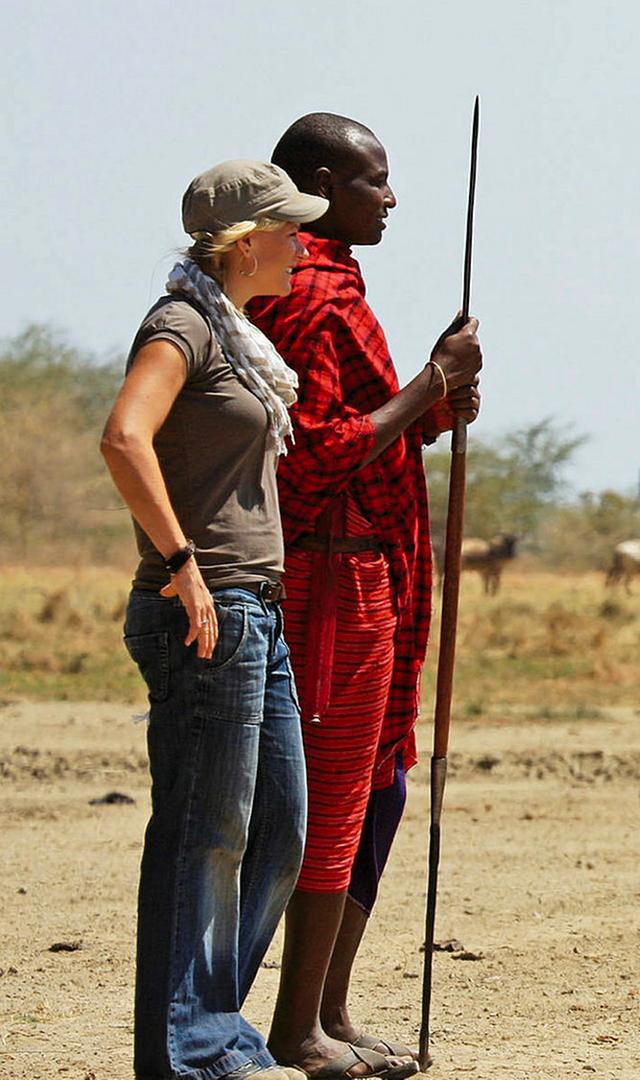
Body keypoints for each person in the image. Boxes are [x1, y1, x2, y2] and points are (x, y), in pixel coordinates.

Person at [247, 113, 481, 1076]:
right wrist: (429, 384)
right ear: (318, 182)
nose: (390, 198)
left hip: (374, 571)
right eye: (373, 180)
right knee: (338, 793)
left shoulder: (337, 287)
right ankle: (295, 1027)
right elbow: (315, 456)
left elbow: (363, 431)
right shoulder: (301, 290)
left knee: (376, 788)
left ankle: (329, 1010)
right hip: (332, 581)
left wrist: (429, 405)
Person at [100, 160, 327, 1080]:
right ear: (244, 242)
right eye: (288, 228)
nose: (302, 242)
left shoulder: (236, 335)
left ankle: (209, 1026)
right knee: (208, 828)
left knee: (278, 826)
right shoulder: (183, 325)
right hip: (206, 609)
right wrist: (183, 566)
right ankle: (193, 1051)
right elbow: (123, 437)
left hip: (250, 614)